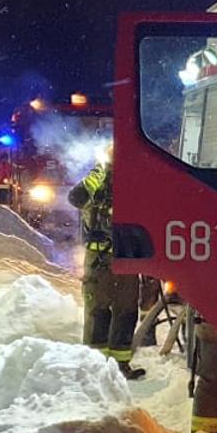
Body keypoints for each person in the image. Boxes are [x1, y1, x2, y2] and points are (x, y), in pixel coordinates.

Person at [69, 155, 145, 379]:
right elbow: (76, 197)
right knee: (98, 311)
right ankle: (94, 366)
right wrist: (97, 176)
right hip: (100, 256)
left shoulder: (135, 182)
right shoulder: (96, 180)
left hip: (128, 257)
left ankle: (120, 365)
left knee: (127, 310)